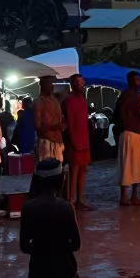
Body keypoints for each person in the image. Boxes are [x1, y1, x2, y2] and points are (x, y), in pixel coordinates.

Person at [115, 71, 140, 206]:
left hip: (137, 132)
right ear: (130, 81)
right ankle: (124, 196)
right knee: (127, 164)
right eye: (136, 79)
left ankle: (134, 195)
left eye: (139, 79)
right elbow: (139, 113)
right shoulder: (128, 96)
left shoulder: (136, 96)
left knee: (137, 165)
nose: (139, 82)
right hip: (129, 132)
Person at [63, 74, 94, 210]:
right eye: (78, 82)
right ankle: (71, 199)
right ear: (73, 84)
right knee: (74, 170)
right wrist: (73, 140)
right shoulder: (69, 100)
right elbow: (70, 121)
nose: (81, 85)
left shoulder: (82, 99)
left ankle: (79, 199)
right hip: (74, 140)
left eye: (82, 82)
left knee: (83, 169)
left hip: (84, 138)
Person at [34, 76, 65, 163]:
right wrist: (55, 127)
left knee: (58, 169)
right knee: (47, 169)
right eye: (49, 83)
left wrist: (62, 125)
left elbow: (60, 119)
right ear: (42, 85)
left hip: (58, 142)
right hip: (46, 143)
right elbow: (38, 127)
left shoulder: (55, 101)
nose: (52, 86)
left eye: (52, 83)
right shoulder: (39, 102)